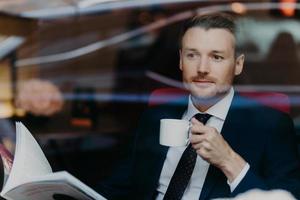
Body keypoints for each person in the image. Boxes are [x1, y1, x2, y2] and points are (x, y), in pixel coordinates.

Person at [98, 12, 300, 200]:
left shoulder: (271, 126)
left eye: (216, 57)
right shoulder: (155, 116)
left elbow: (286, 197)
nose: (202, 69)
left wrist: (229, 160)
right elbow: (117, 188)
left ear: (238, 65)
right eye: (192, 55)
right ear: (180, 61)